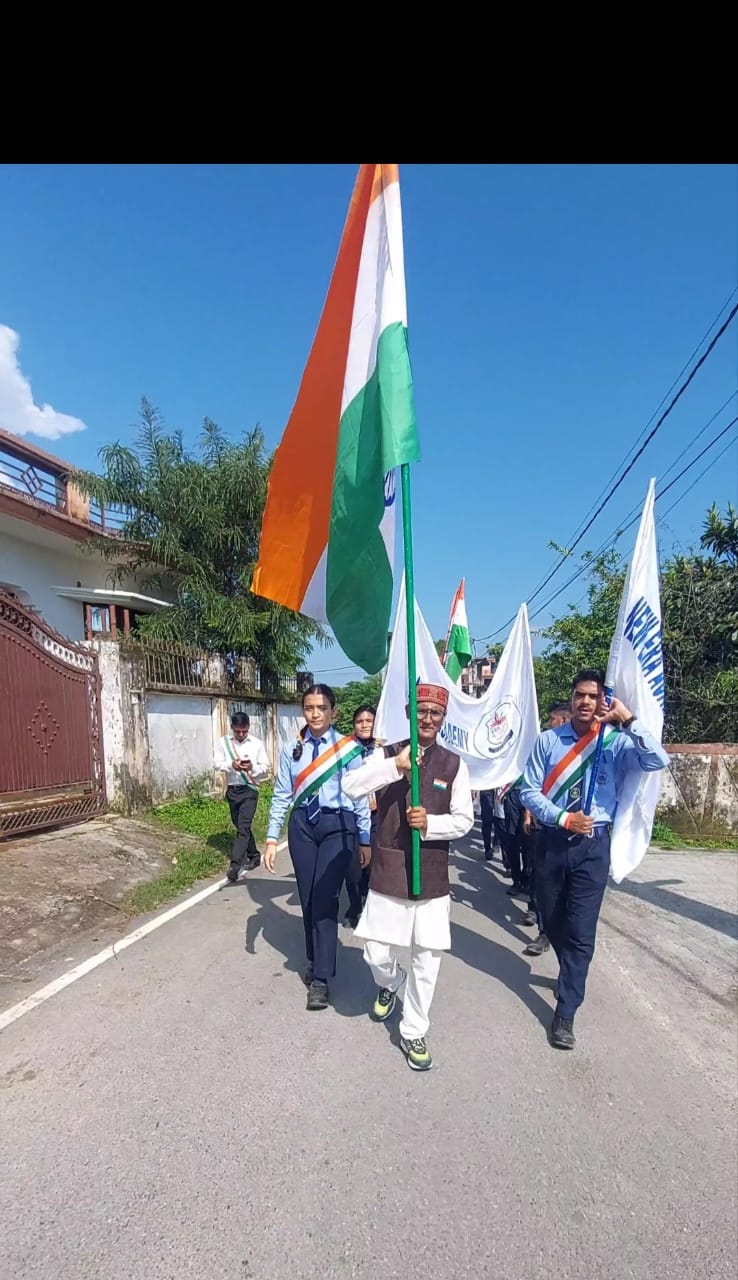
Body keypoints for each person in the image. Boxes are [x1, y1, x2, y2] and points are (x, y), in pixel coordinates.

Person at [520, 669, 669, 1050]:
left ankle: (566, 1011)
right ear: (571, 700)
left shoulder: (615, 743)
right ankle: (570, 967)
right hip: (553, 841)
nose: (585, 701)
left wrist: (628, 719)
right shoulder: (548, 741)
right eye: (579, 695)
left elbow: (657, 760)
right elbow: (528, 791)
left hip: (593, 847)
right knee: (551, 918)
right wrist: (563, 817)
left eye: (593, 696)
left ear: (603, 701)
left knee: (582, 933)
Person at [342, 683, 474, 1072]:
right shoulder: (387, 753)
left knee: (427, 959)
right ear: (408, 712)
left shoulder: (454, 764)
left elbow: (465, 820)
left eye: (435, 713)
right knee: (374, 951)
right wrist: (394, 767)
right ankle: (389, 982)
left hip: (431, 875)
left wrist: (430, 823)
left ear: (443, 718)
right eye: (422, 711)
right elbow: (351, 786)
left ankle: (413, 1028)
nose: (428, 719)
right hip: (389, 869)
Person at [263, 685, 371, 1012]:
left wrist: (364, 837)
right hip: (302, 827)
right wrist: (271, 837)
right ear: (303, 711)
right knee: (308, 897)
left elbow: (360, 794)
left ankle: (321, 979)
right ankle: (314, 958)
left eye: (322, 707)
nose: (315, 713)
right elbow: (283, 792)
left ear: (333, 712)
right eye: (309, 707)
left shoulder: (347, 748)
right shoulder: (291, 749)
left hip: (339, 825)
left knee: (326, 897)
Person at [523, 700, 571, 953]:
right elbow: (532, 788)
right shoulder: (546, 744)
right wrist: (530, 814)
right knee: (542, 880)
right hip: (547, 828)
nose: (549, 723)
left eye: (552, 719)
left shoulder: (587, 748)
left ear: (563, 719)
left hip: (578, 836)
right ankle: (544, 931)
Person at [214, 712, 271, 882]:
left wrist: (252, 768)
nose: (241, 735)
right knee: (240, 826)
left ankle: (235, 865)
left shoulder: (257, 744)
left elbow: (265, 765)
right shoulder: (223, 743)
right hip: (233, 789)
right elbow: (216, 763)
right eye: (238, 731)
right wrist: (231, 766)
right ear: (232, 728)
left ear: (248, 728)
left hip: (250, 789)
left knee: (244, 826)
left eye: (244, 731)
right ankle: (254, 855)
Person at [344, 704, 378, 927]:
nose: (364, 725)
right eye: (360, 721)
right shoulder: (345, 750)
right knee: (352, 863)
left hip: (379, 815)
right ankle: (354, 904)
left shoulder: (385, 749)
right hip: (351, 813)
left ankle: (371, 904)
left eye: (369, 721)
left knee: (373, 862)